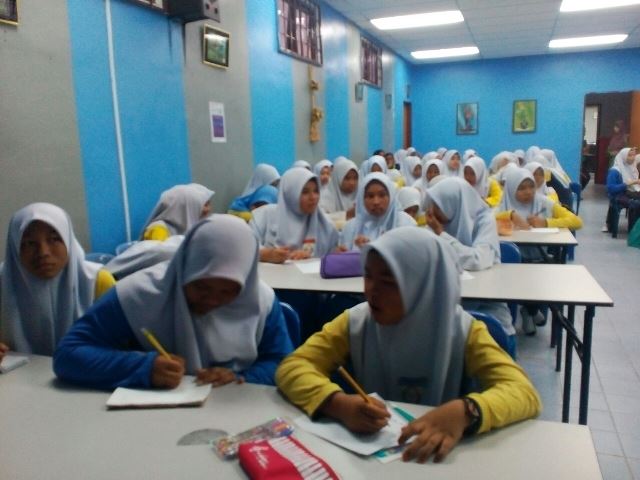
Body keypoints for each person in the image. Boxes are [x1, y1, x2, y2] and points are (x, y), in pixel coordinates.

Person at [276, 227, 541, 463]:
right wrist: (337, 404)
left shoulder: (463, 331)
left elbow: (524, 392)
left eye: (389, 282)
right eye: (368, 276)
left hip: (437, 460)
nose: (371, 290)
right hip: (372, 461)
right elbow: (293, 366)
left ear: (424, 286)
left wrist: (466, 411)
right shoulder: (357, 322)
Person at [53, 215, 293, 390]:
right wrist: (143, 367)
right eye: (201, 287)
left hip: (232, 413)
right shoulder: (140, 295)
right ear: (184, 270)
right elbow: (69, 354)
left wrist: (242, 378)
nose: (212, 300)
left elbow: (282, 363)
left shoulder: (260, 302)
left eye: (228, 292)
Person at [1, 203, 116, 355]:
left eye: (54, 239)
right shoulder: (3, 283)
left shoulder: (97, 282)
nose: (43, 252)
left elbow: (121, 342)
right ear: (15, 248)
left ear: (68, 240)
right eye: (29, 243)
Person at [423, 178, 515, 345]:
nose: (431, 211)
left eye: (437, 205)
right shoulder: (436, 223)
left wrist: (442, 235)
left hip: (487, 308)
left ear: (452, 203)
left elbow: (478, 259)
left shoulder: (484, 220)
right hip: (447, 305)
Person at [251, 168, 339, 263]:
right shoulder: (264, 216)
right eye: (305, 192)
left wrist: (312, 258)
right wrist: (266, 254)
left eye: (316, 191)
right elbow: (246, 246)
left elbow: (332, 256)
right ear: (290, 193)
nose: (313, 197)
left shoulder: (326, 226)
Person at [340, 173, 416, 251]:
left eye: (382, 195)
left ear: (391, 196)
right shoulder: (351, 228)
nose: (376, 202)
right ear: (362, 199)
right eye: (370, 196)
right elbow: (344, 255)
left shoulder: (406, 224)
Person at [140, 183, 214, 241]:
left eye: (208, 204)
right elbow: (159, 253)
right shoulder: (158, 229)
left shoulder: (191, 230)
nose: (208, 209)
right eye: (205, 205)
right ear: (186, 206)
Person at [606, 147, 640, 233]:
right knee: (636, 204)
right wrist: (629, 183)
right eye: (630, 155)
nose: (633, 158)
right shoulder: (615, 171)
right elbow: (610, 189)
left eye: (633, 155)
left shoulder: (630, 167)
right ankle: (633, 231)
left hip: (627, 193)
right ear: (624, 156)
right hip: (618, 196)